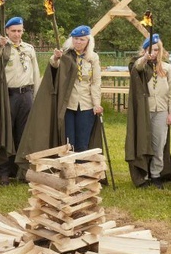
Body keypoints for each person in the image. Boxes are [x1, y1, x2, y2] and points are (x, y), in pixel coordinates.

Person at [15, 25, 105, 176]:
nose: (78, 42)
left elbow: (95, 82)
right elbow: (54, 66)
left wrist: (96, 104)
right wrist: (56, 57)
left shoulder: (93, 58)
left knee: (83, 142)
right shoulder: (67, 55)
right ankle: (67, 173)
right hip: (68, 105)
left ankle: (80, 174)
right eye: (75, 39)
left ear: (88, 41)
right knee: (68, 142)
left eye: (82, 40)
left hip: (86, 105)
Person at [0, 17, 40, 185]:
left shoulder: (29, 49)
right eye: (13, 31)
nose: (17, 34)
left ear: (23, 31)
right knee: (7, 134)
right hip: (9, 97)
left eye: (19, 31)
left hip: (27, 95)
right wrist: (0, 44)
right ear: (7, 31)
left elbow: (35, 73)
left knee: (24, 135)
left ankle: (23, 170)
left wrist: (36, 95)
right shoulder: (2, 47)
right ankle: (4, 172)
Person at [125, 34, 171, 189]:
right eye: (150, 49)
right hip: (144, 111)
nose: (153, 52)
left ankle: (156, 174)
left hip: (161, 110)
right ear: (144, 50)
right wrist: (144, 58)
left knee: (159, 144)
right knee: (144, 142)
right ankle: (144, 175)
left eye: (156, 49)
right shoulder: (140, 65)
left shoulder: (167, 68)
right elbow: (138, 67)